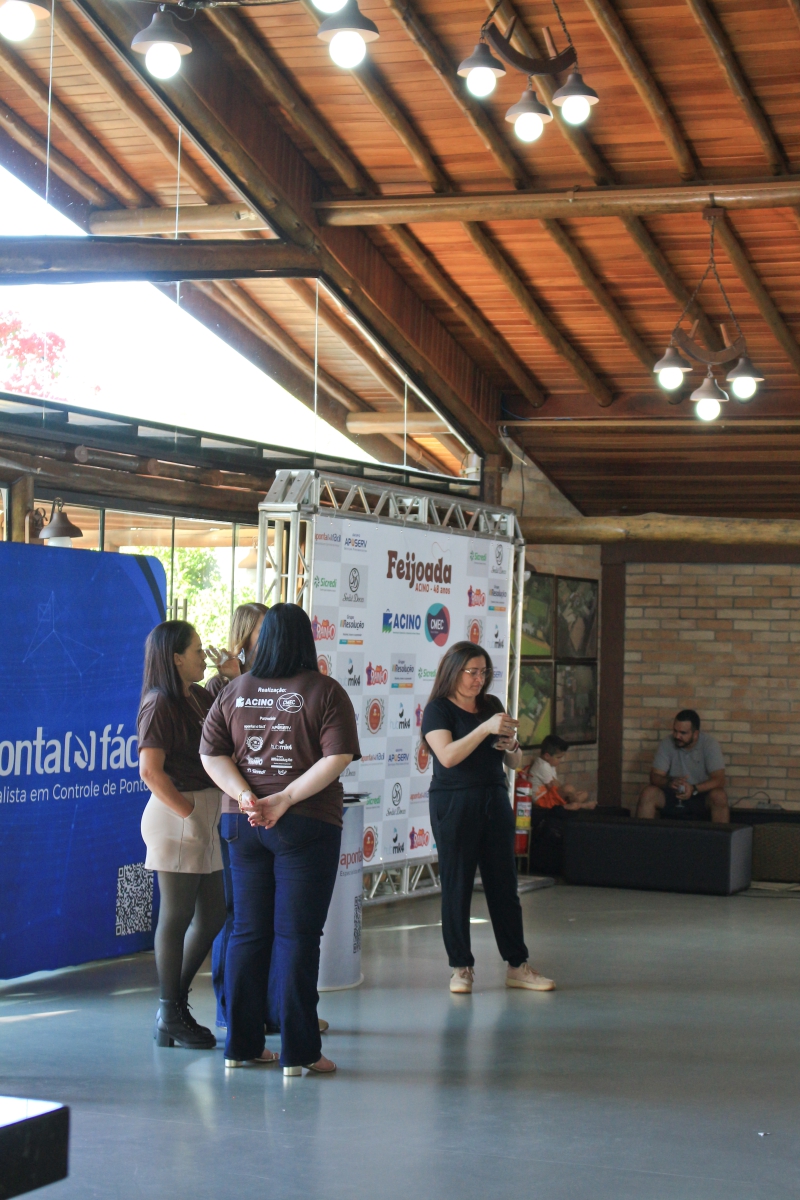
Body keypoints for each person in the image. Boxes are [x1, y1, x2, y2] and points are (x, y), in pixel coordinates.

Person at [200, 603, 360, 1075]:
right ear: (307, 640)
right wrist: (285, 798)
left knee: (248, 933)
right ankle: (300, 1052)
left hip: (243, 824)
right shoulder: (326, 691)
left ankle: (242, 1045)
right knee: (297, 936)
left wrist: (246, 796)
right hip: (306, 825)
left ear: (263, 640)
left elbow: (210, 754)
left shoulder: (236, 690)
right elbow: (337, 757)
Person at [422, 641, 555, 996]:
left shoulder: (492, 706)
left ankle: (517, 964)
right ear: (453, 671)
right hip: (454, 801)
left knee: (504, 885)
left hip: (494, 798)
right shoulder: (438, 710)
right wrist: (484, 729)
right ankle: (460, 967)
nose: (478, 680)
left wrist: (511, 746)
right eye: (472, 672)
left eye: (483, 672)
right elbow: (448, 756)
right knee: (457, 884)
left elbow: (514, 762)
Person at [138, 621, 227, 1050]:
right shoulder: (159, 703)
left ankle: (171, 1008)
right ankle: (170, 1011)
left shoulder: (198, 696)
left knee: (213, 914)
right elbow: (150, 771)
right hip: (179, 814)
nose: (203, 657)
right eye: (196, 651)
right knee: (176, 917)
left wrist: (230, 673)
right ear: (175, 658)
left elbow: (228, 711)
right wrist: (189, 813)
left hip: (203, 813)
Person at [202, 602, 267, 1027]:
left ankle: (269, 1007)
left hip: (271, 812)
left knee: (267, 916)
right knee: (236, 912)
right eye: (263, 629)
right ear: (244, 637)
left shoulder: (278, 681)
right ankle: (230, 1009)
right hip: (234, 811)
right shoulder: (219, 686)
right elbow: (214, 748)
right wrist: (233, 678)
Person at [636, 709, 729, 823]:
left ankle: (720, 835)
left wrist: (694, 789)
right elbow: (654, 776)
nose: (677, 736)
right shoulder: (667, 743)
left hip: (699, 795)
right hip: (673, 795)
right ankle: (641, 834)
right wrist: (669, 783)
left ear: (695, 734)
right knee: (648, 793)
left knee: (719, 796)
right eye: (675, 731)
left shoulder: (709, 744)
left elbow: (720, 780)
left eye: (683, 733)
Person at [204, 602, 268, 700]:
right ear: (244, 635)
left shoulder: (277, 679)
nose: (272, 636)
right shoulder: (218, 685)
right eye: (264, 631)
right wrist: (235, 679)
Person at [530, 734, 597, 810]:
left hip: (550, 796)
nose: (560, 760)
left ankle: (574, 805)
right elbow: (553, 786)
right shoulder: (542, 766)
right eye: (558, 757)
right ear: (547, 756)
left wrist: (571, 794)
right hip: (543, 800)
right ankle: (581, 805)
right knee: (568, 789)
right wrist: (569, 793)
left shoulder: (550, 764)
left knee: (584, 794)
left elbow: (556, 784)